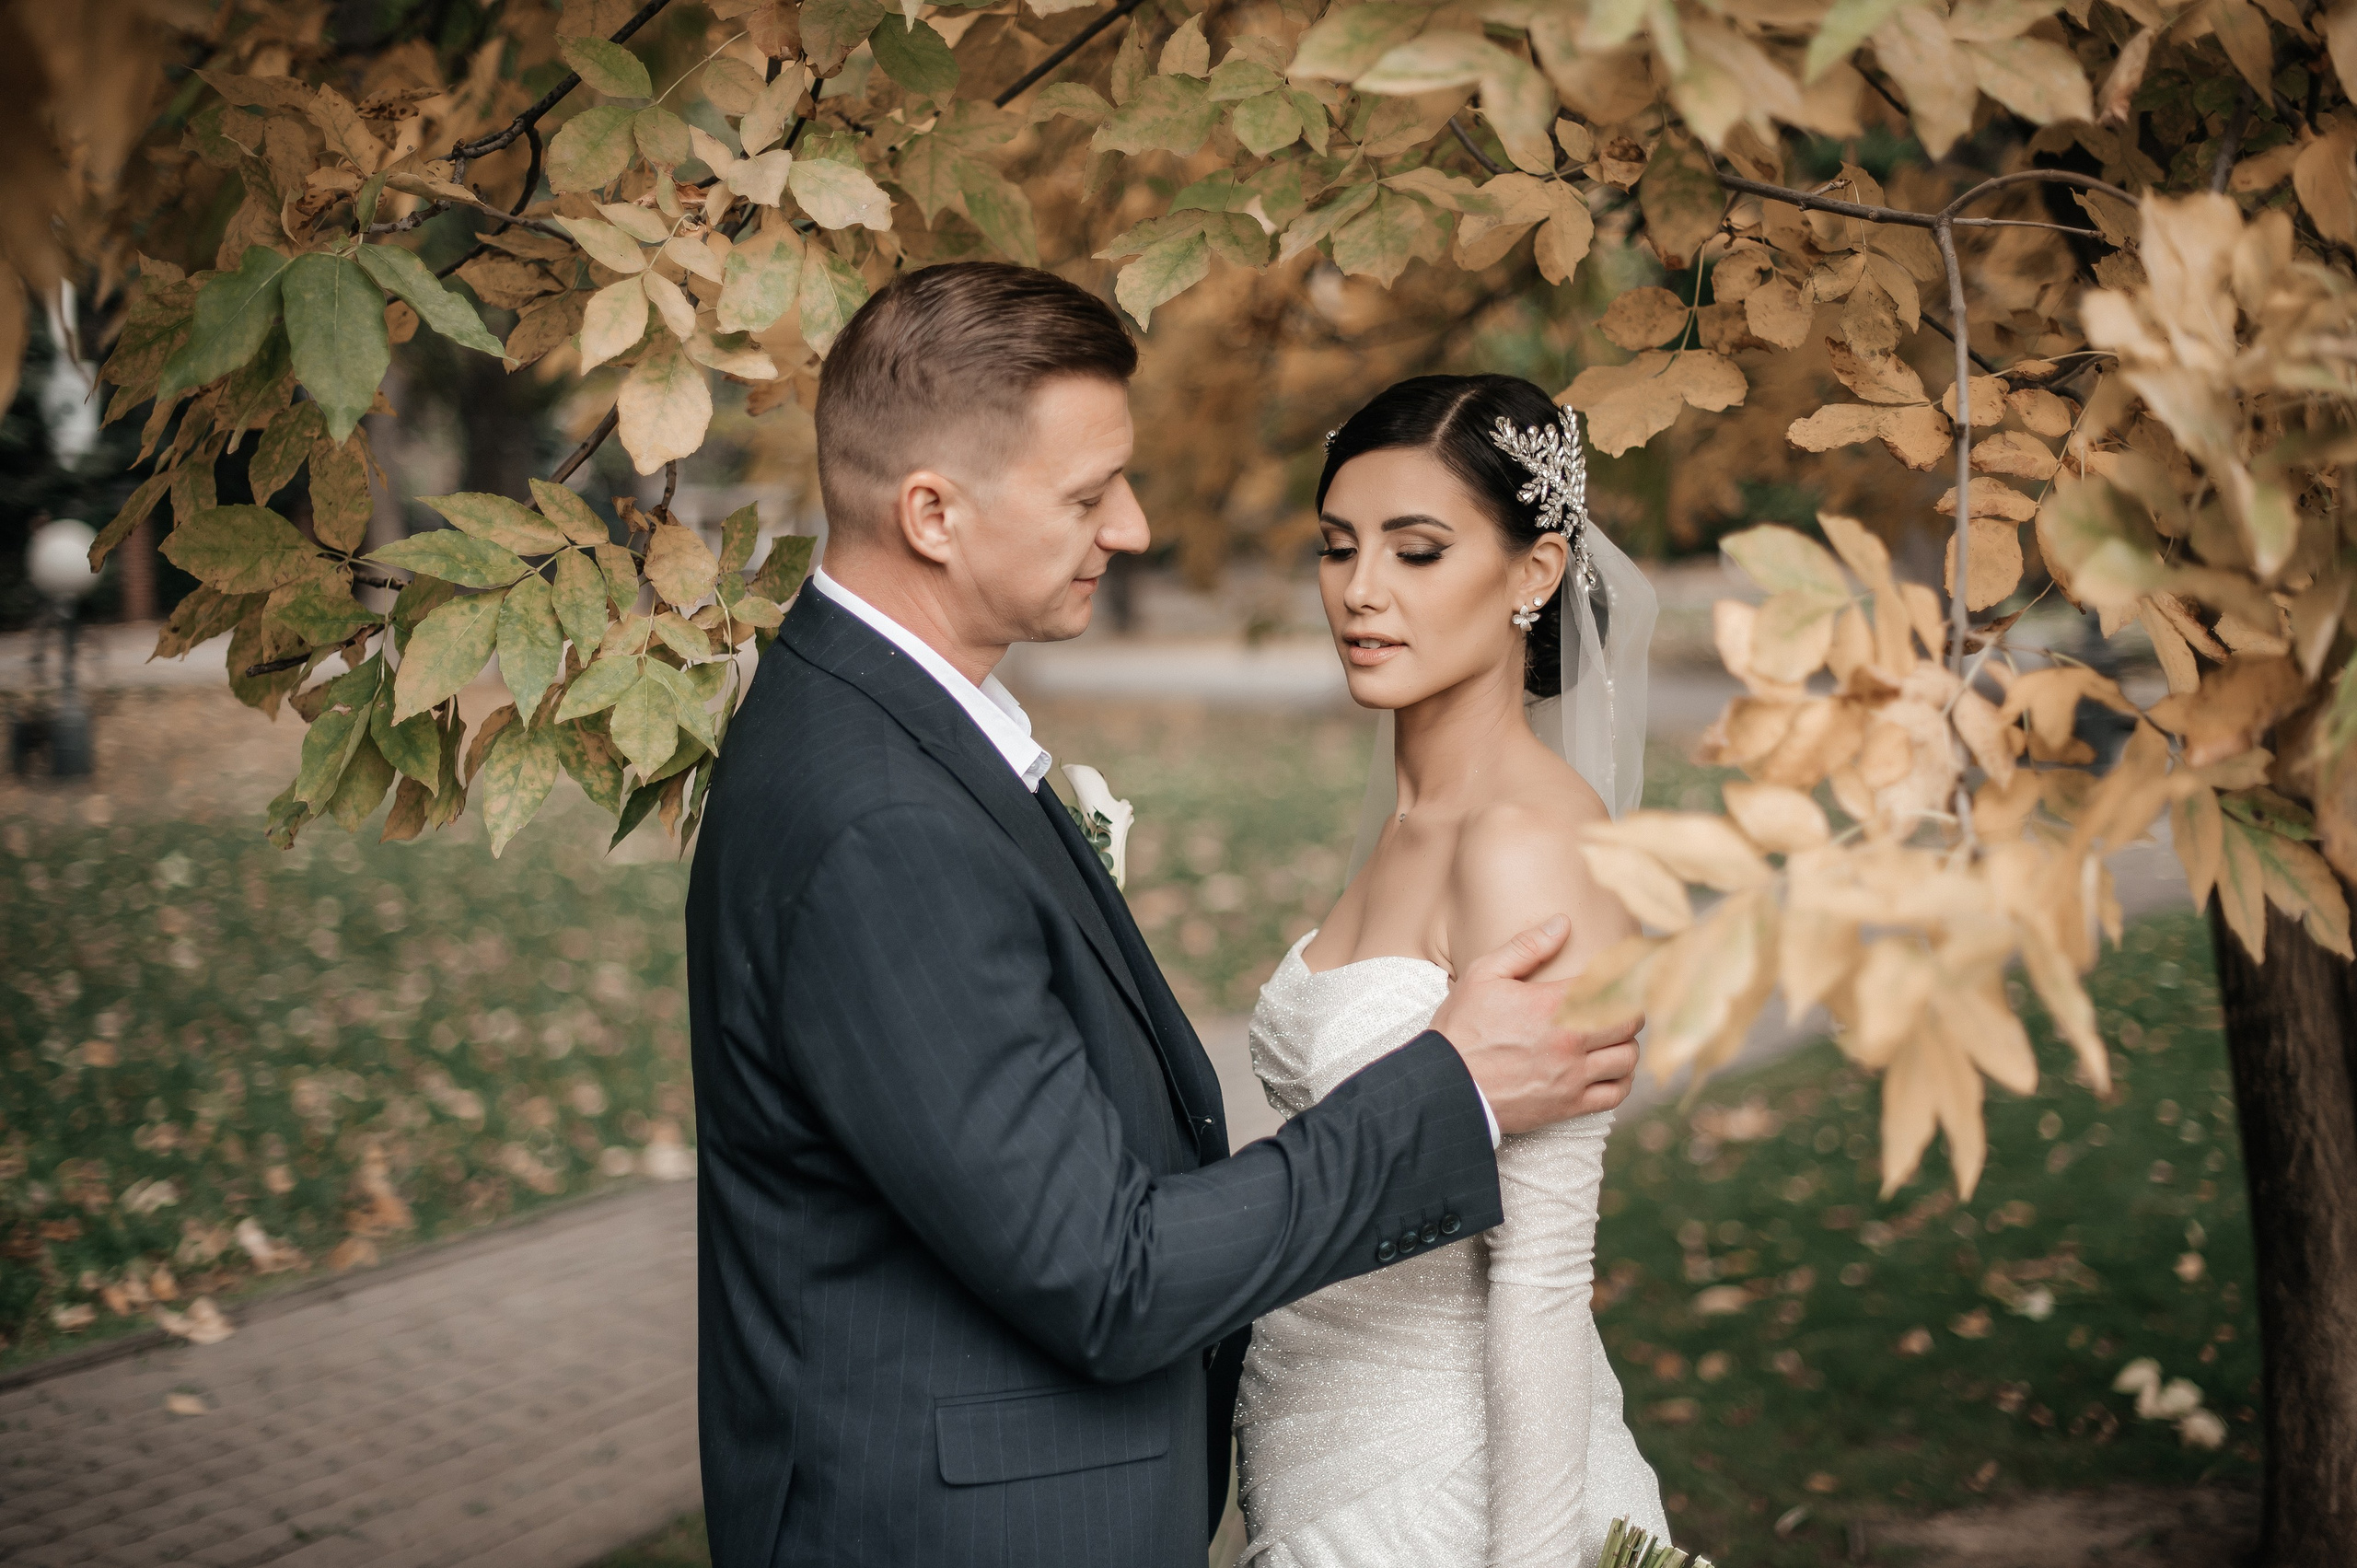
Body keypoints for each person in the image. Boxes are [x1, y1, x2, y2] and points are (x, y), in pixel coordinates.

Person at [683, 266, 1643, 1568]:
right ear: (932, 514)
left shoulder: (880, 735)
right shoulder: (883, 815)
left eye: (1416, 550)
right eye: (1089, 496)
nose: (1133, 528)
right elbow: (1106, 1272)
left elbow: (1539, 1282)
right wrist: (1454, 1089)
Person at [1235, 375, 1670, 1566]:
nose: (1361, 591)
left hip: (1451, 1498)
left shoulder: (1529, 845)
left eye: (1417, 551)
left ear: (1537, 572)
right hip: (1317, 1463)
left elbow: (1543, 1282)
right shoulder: (1410, 824)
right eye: (1338, 547)